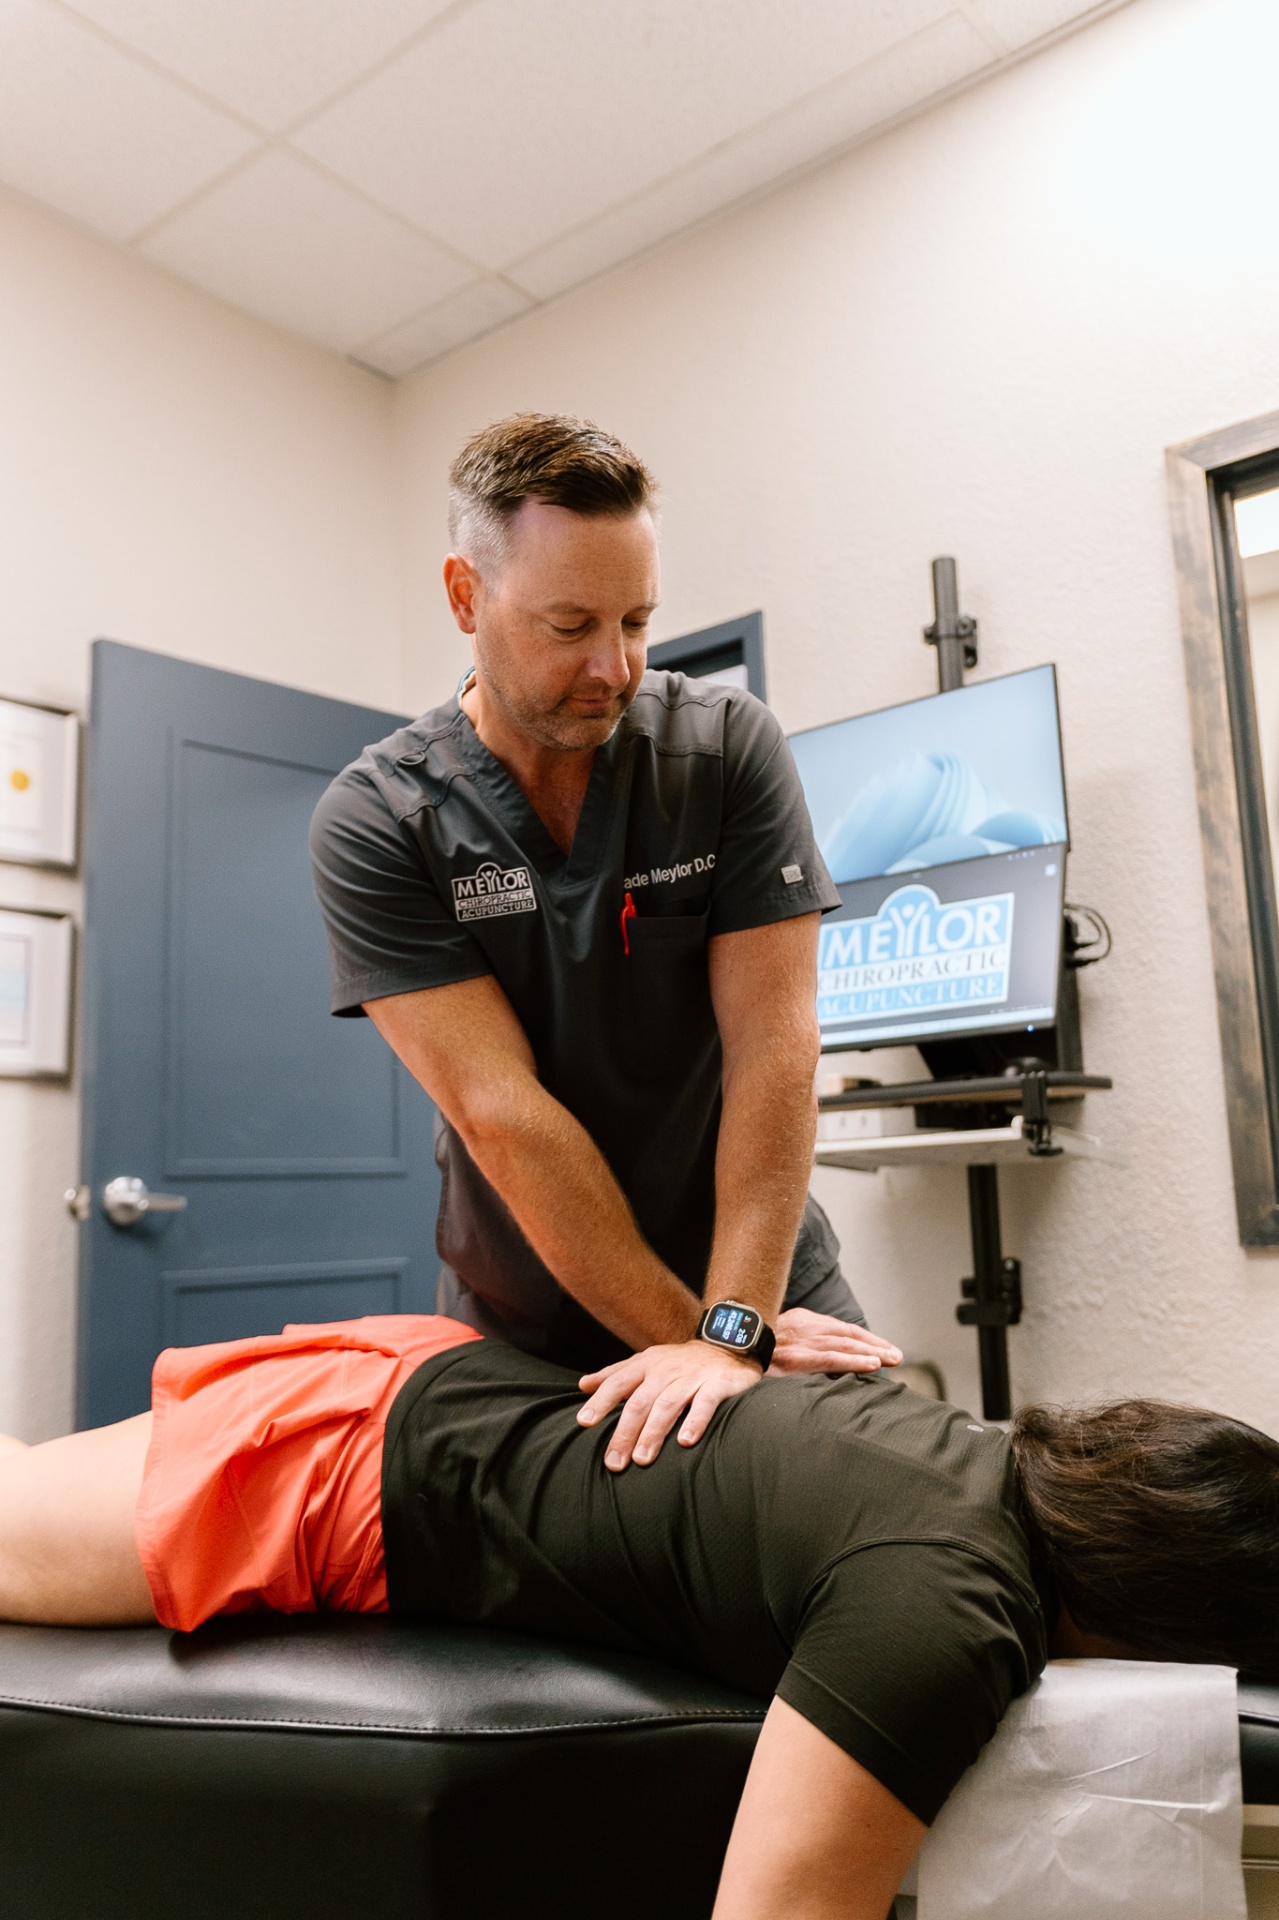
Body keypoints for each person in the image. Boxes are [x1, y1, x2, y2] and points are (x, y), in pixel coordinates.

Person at [0, 1312, 1275, 1920]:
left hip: (429, 1395)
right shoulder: (947, 1611)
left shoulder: (966, 1450)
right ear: (1165, 1625)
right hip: (343, 1474)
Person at [309, 412, 901, 1473]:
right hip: (533, 1315)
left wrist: (732, 1331)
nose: (613, 665)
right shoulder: (381, 818)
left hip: (755, 1279)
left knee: (874, 1496)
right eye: (569, 623)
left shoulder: (722, 751)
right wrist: (692, 1337)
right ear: (463, 597)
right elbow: (503, 1117)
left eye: (637, 620)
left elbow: (776, 1049)